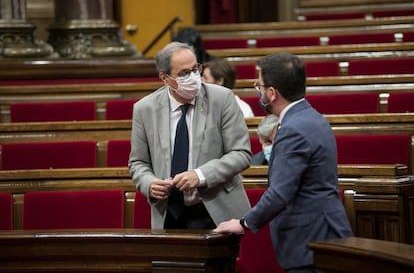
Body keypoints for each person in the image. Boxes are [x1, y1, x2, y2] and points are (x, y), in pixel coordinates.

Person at [214, 53, 353, 272]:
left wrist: (243, 223)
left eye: (259, 86)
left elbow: (280, 193)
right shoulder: (313, 117)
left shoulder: (293, 129)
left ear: (272, 93)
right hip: (324, 234)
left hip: (310, 241)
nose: (257, 91)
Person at [128, 42, 252, 229]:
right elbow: (138, 163)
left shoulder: (222, 98)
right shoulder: (145, 109)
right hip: (169, 214)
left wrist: (200, 175)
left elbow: (241, 153)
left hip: (216, 211)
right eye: (184, 73)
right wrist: (149, 183)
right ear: (165, 78)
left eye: (195, 69)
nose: (194, 77)